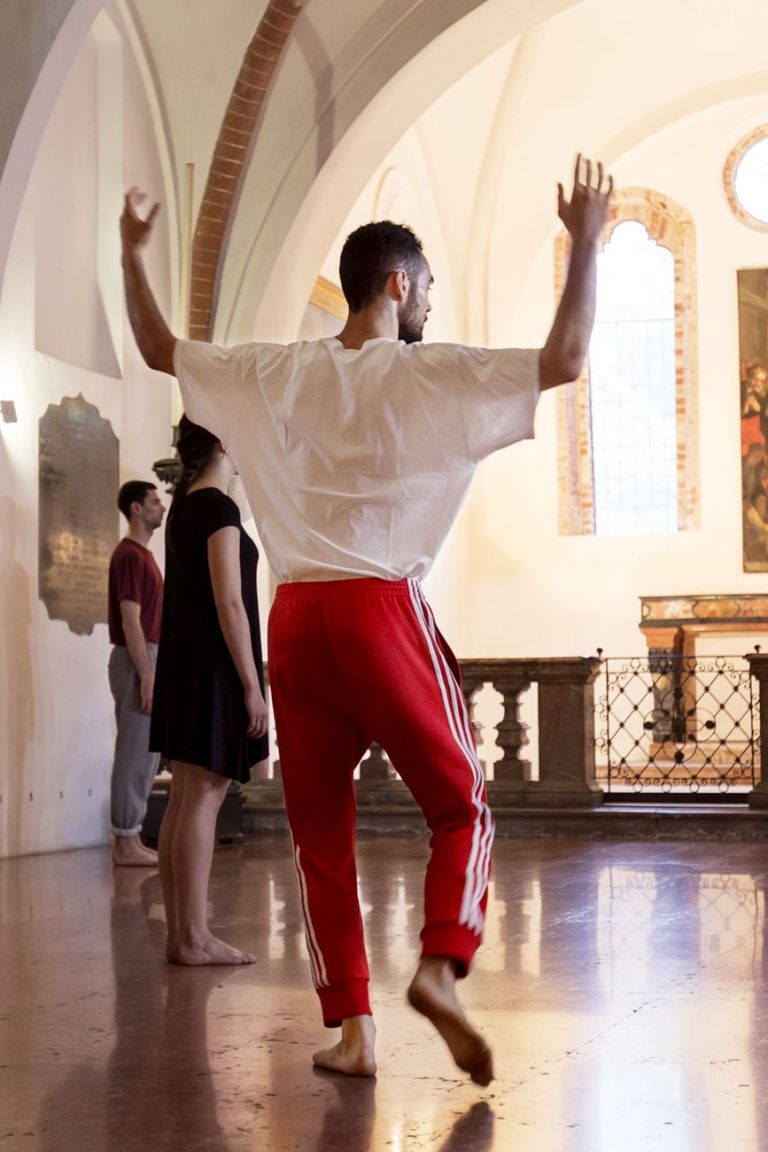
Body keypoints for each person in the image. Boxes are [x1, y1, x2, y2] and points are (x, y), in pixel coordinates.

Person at [120, 154, 613, 1084]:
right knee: (461, 803)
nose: (428, 306)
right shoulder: (432, 377)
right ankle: (437, 963)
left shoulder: (275, 373)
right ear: (400, 285)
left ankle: (354, 1032)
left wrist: (128, 252)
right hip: (381, 607)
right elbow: (567, 359)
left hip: (297, 619)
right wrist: (585, 243)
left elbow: (156, 348)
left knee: (319, 833)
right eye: (425, 289)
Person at [150, 415, 269, 965]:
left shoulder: (183, 508)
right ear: (225, 441)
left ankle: (182, 934)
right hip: (214, 669)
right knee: (202, 798)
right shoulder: (218, 509)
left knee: (184, 798)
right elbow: (229, 601)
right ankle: (194, 937)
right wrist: (251, 683)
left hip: (185, 666)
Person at [108, 480, 165, 867]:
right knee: (134, 750)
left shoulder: (143, 556)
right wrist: (146, 675)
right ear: (135, 509)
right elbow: (131, 622)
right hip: (136, 655)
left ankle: (133, 835)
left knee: (147, 752)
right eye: (154, 501)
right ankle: (125, 840)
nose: (161, 506)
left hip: (147, 655)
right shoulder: (129, 555)